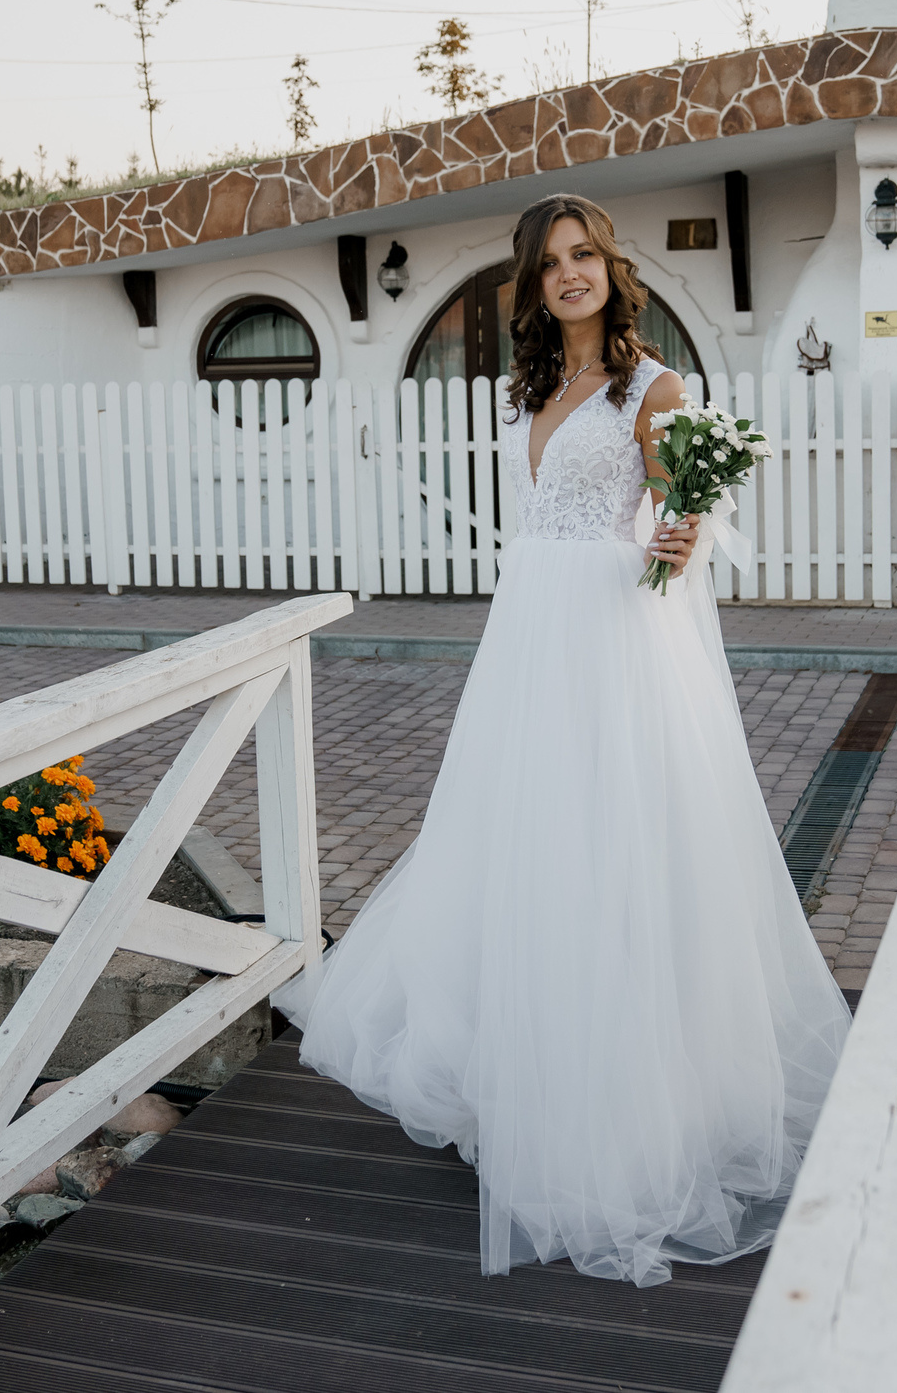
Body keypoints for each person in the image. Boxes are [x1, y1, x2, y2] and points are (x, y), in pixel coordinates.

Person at [277, 191, 853, 1287]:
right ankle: (527, 1076)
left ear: (610, 268)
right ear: (533, 285)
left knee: (615, 852)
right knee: (524, 850)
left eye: (585, 254)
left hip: (610, 642)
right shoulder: (532, 386)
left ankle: (628, 1115)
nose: (571, 273)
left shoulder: (653, 387)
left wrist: (685, 533)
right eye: (550, 263)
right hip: (529, 637)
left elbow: (683, 513)